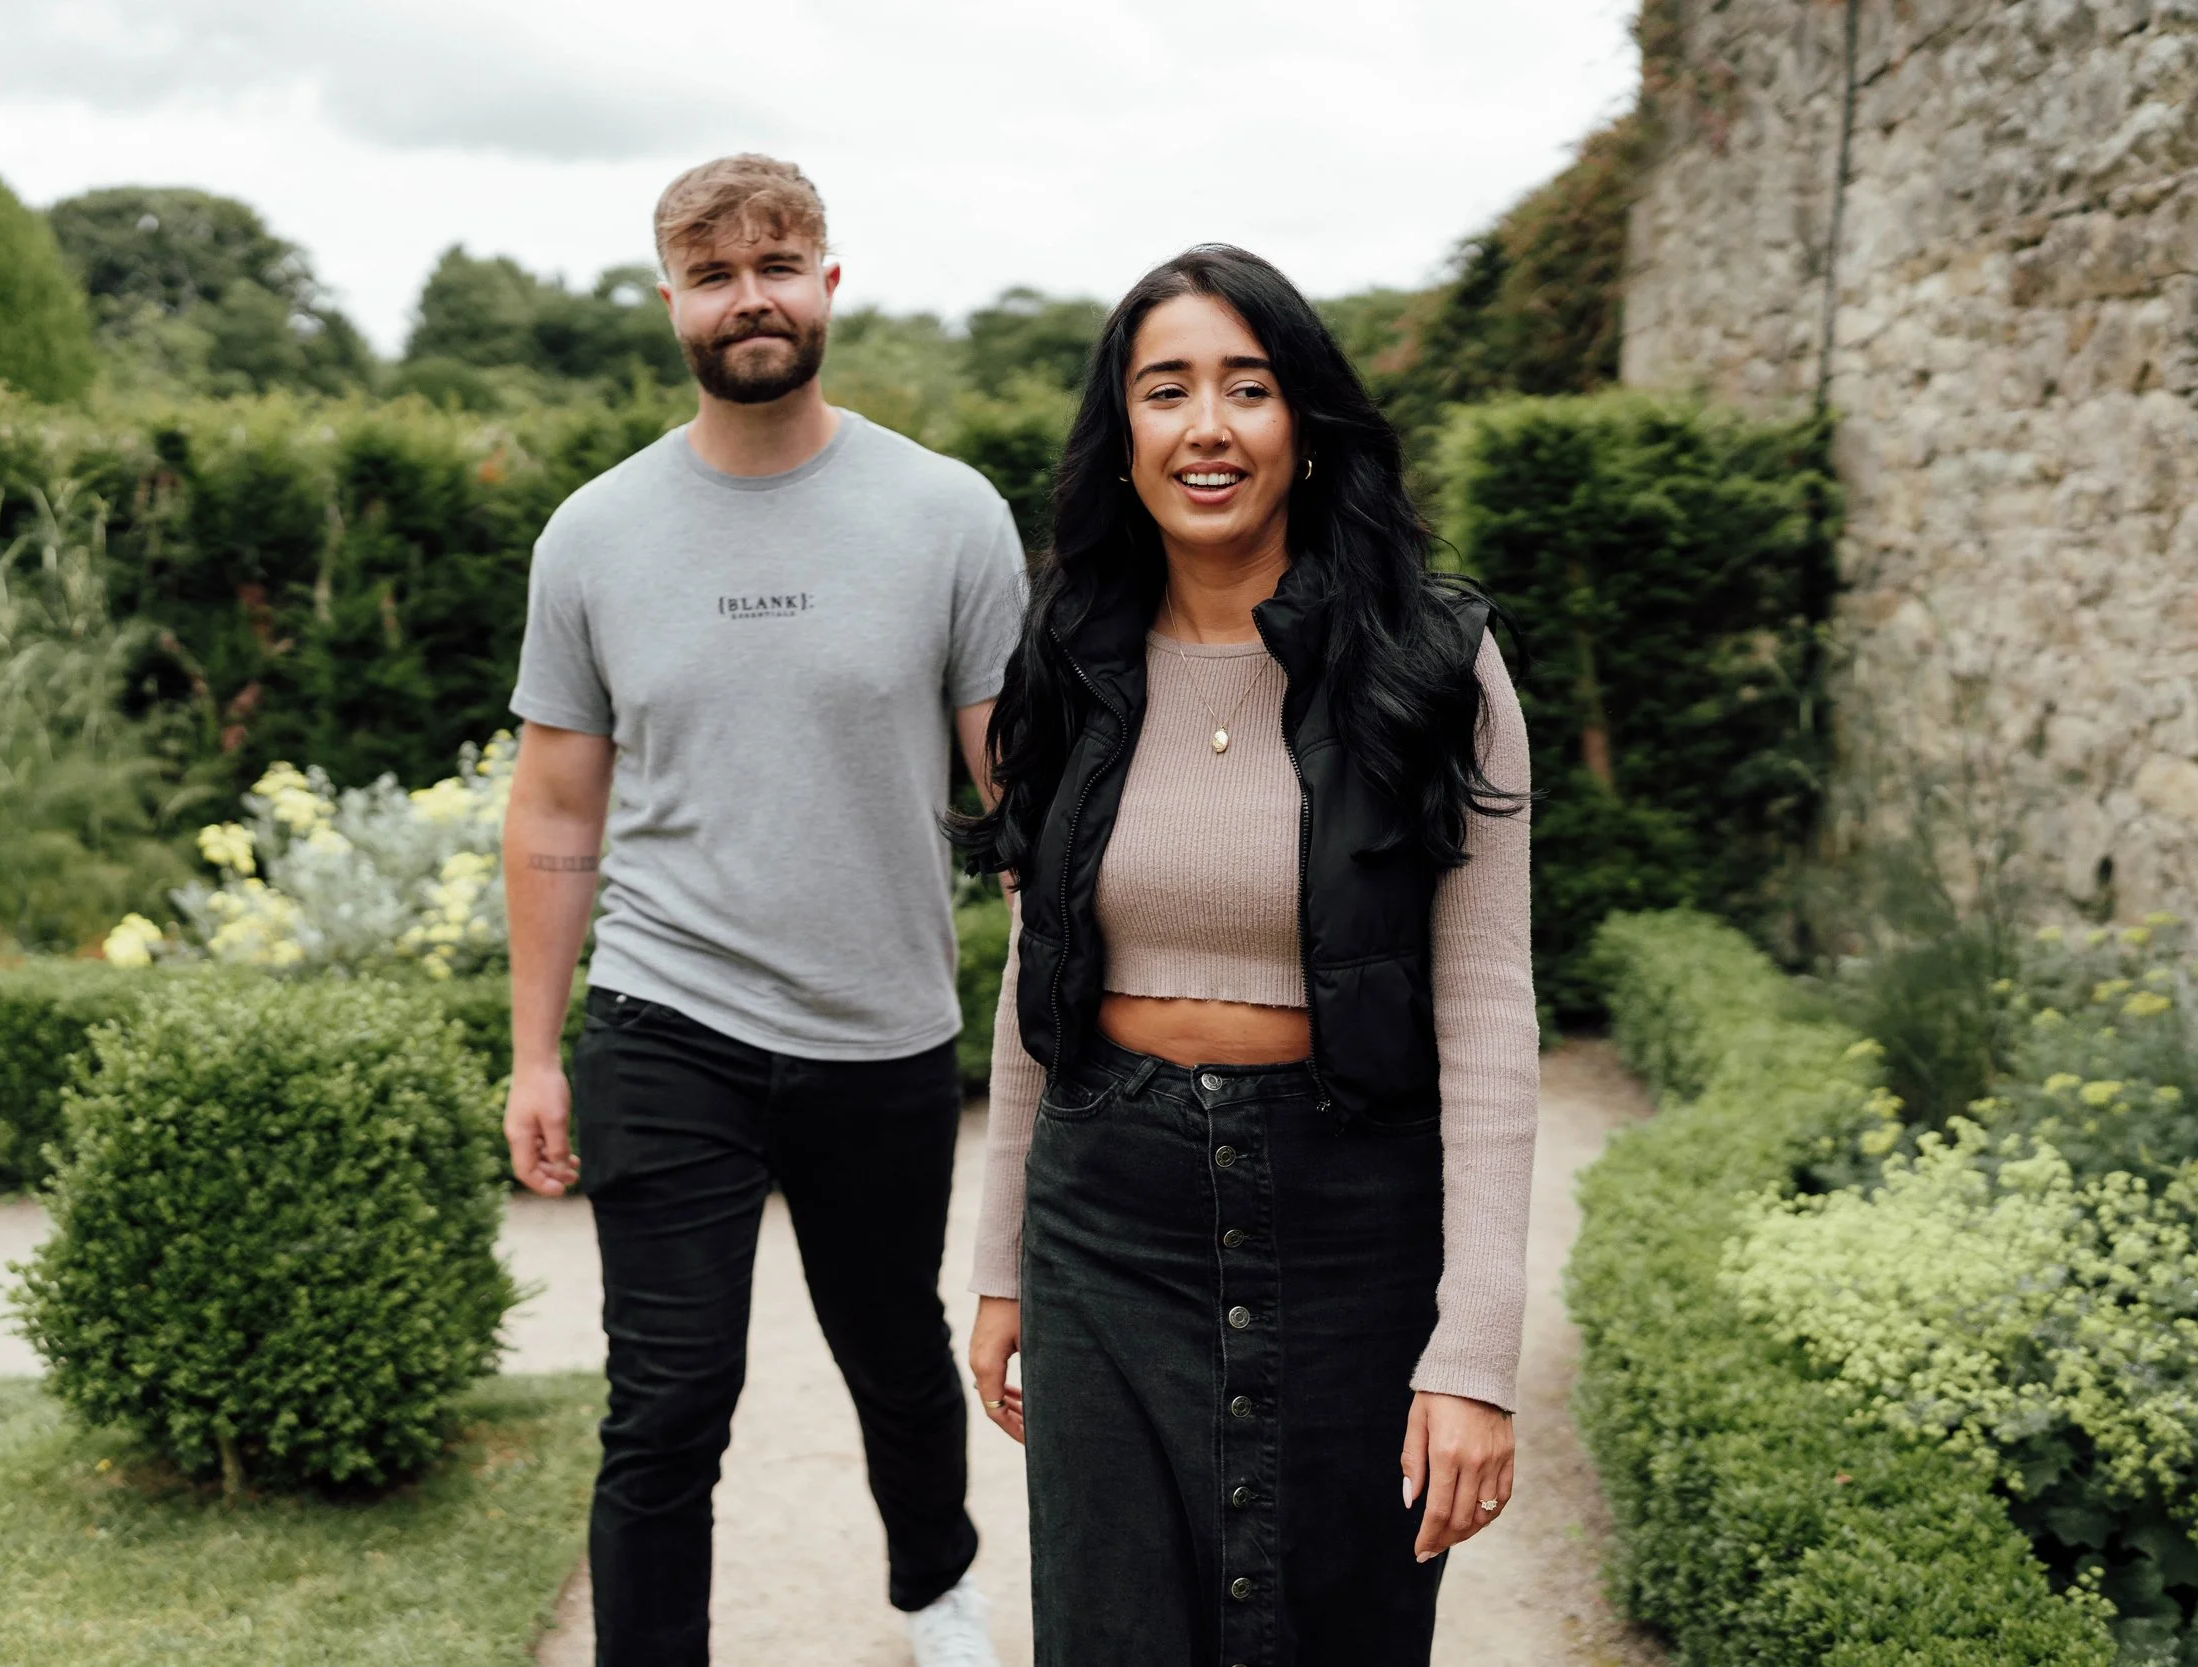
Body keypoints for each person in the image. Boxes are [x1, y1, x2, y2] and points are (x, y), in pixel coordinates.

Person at [955, 244, 1538, 1665]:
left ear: (1305, 425)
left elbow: (1485, 1007)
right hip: (1106, 1223)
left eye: (1248, 386)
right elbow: (1037, 980)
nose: (1206, 426)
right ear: (1123, 434)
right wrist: (1001, 1262)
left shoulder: (1433, 661)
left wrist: (1474, 1352)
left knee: (1337, 1628)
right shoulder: (1068, 655)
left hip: (1356, 1224)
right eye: (1166, 390)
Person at [500, 153, 1025, 1667]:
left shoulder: (947, 515)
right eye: (715, 274)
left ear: (828, 284)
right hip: (668, 1019)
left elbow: (1017, 793)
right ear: (670, 301)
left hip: (882, 1022)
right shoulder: (594, 534)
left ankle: (936, 1587)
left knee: (895, 1356)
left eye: (778, 266)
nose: (751, 298)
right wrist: (536, 1053)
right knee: (666, 1397)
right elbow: (556, 809)